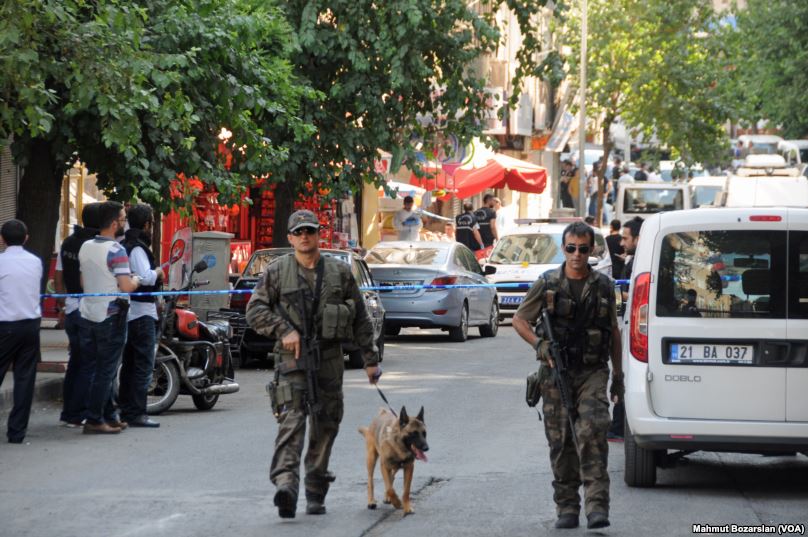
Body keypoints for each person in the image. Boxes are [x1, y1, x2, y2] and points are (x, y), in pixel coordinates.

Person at [245, 209, 380, 519]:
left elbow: (360, 317)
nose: (305, 236)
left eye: (310, 231)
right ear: (290, 238)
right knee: (291, 422)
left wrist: (370, 360)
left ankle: (315, 491)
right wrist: (284, 330)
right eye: (299, 232)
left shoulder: (339, 273)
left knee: (326, 426)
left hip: (329, 360)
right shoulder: (277, 272)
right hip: (291, 360)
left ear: (320, 235)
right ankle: (286, 486)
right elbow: (255, 311)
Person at [511, 222, 622, 530]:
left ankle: (597, 507)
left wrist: (619, 376)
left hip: (592, 372)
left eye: (583, 249)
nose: (577, 255)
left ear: (592, 250)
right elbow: (520, 320)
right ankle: (567, 508)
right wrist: (539, 343)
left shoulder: (603, 285)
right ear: (563, 248)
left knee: (593, 434)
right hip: (555, 373)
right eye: (571, 248)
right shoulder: (547, 283)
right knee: (561, 443)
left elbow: (613, 331)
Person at [78, 201, 141, 434]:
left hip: (89, 313)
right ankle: (94, 418)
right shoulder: (117, 250)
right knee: (107, 370)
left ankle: (109, 415)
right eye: (123, 219)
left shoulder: (86, 246)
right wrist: (137, 279)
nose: (125, 223)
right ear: (115, 223)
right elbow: (125, 286)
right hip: (112, 315)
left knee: (99, 367)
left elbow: (84, 282)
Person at [54, 202, 101, 427]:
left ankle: (68, 412)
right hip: (88, 309)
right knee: (88, 363)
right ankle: (78, 413)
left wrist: (62, 305)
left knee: (76, 361)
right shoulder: (95, 245)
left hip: (71, 307)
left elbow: (58, 275)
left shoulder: (68, 242)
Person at [119, 204, 164, 428]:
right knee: (142, 365)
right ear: (147, 224)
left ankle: (128, 410)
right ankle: (136, 412)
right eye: (151, 223)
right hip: (140, 313)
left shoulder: (126, 244)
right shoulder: (137, 248)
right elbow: (145, 278)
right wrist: (158, 271)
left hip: (132, 311)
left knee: (130, 364)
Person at [0, 219, 43, 444]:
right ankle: (17, 432)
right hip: (30, 326)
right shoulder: (35, 262)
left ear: (2, 239)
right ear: (26, 237)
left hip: (5, 325)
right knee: (25, 379)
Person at [607, 216, 643, 441]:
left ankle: (619, 427)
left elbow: (639, 295)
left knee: (625, 375)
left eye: (626, 238)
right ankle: (618, 425)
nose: (622, 243)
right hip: (628, 324)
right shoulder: (633, 259)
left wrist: (616, 293)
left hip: (635, 328)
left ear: (638, 239)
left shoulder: (641, 262)